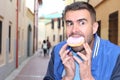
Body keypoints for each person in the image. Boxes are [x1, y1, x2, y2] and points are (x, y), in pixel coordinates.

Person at [43, 1, 120, 80]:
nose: (74, 30)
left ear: (94, 28)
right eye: (70, 23)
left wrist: (87, 78)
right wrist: (67, 77)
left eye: (82, 23)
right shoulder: (58, 51)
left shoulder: (116, 55)